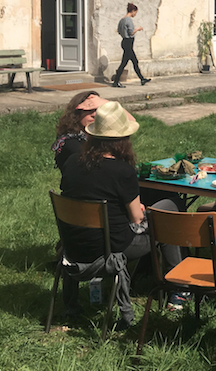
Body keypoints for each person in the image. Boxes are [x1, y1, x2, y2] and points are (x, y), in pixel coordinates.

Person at [58, 101, 186, 320]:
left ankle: (152, 275)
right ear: (123, 141)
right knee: (168, 214)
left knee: (157, 214)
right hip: (112, 249)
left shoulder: (71, 162)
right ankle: (179, 289)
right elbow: (137, 219)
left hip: (74, 245)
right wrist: (140, 210)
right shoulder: (122, 171)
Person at [52, 91, 105, 172]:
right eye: (89, 110)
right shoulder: (70, 142)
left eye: (98, 110)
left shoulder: (100, 137)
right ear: (76, 114)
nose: (94, 114)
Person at [113, 3, 151, 88]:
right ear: (133, 11)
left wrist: (124, 34)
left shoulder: (121, 20)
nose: (135, 14)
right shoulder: (128, 20)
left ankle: (142, 79)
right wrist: (138, 29)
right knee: (124, 63)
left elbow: (119, 31)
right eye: (135, 13)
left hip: (124, 42)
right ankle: (116, 81)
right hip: (128, 43)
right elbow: (131, 32)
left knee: (135, 61)